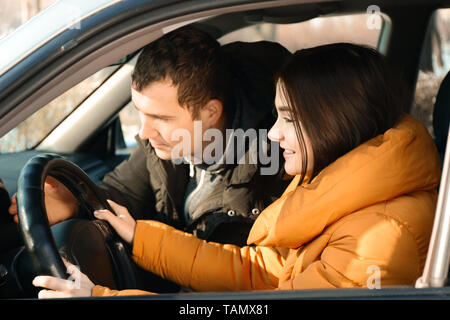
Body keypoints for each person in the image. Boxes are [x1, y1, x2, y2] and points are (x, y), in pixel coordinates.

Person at [31, 42, 442, 298]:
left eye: (288, 119)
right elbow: (258, 271)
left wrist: (99, 297)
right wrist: (142, 238)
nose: (274, 135)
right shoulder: (334, 187)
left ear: (331, 124)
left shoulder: (380, 236)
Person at [8, 26, 291, 249]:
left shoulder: (272, 173)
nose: (144, 132)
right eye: (141, 113)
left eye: (162, 118)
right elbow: (121, 193)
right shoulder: (169, 144)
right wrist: (73, 201)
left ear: (210, 112)